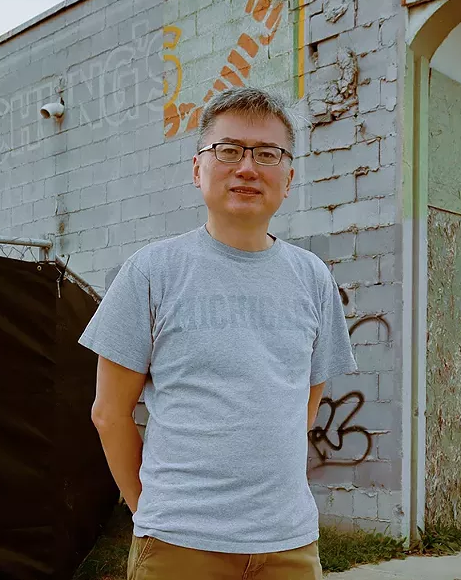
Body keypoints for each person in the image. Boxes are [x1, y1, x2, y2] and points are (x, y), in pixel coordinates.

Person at [79, 87, 357, 579]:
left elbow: (304, 403)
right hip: (179, 548)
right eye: (228, 150)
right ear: (197, 169)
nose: (247, 168)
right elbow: (109, 413)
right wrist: (151, 513)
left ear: (288, 177)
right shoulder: (151, 272)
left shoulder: (313, 278)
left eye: (267, 154)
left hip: (289, 548)